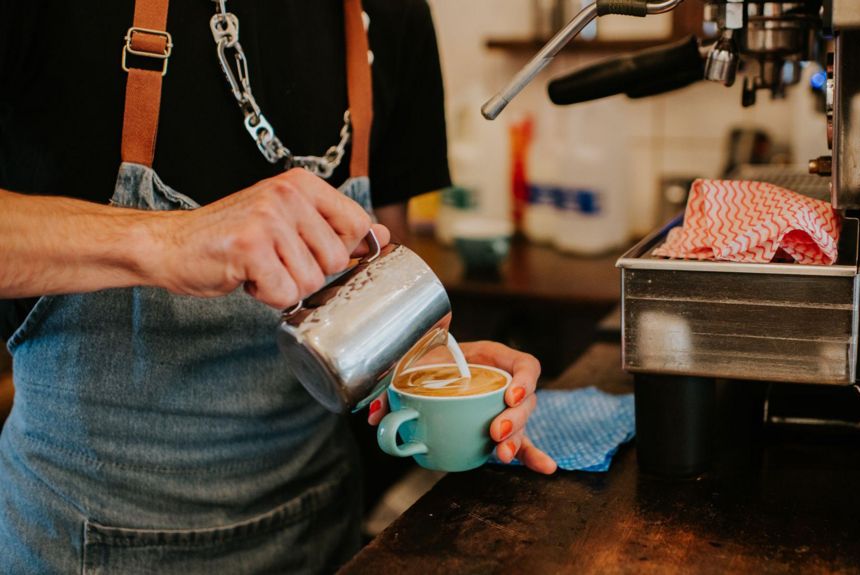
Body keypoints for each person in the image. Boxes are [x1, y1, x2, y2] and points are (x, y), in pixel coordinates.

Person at [0, 1, 555, 572]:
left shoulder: (392, 13)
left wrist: (424, 365)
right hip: (87, 542)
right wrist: (167, 239)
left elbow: (380, 271)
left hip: (322, 532)